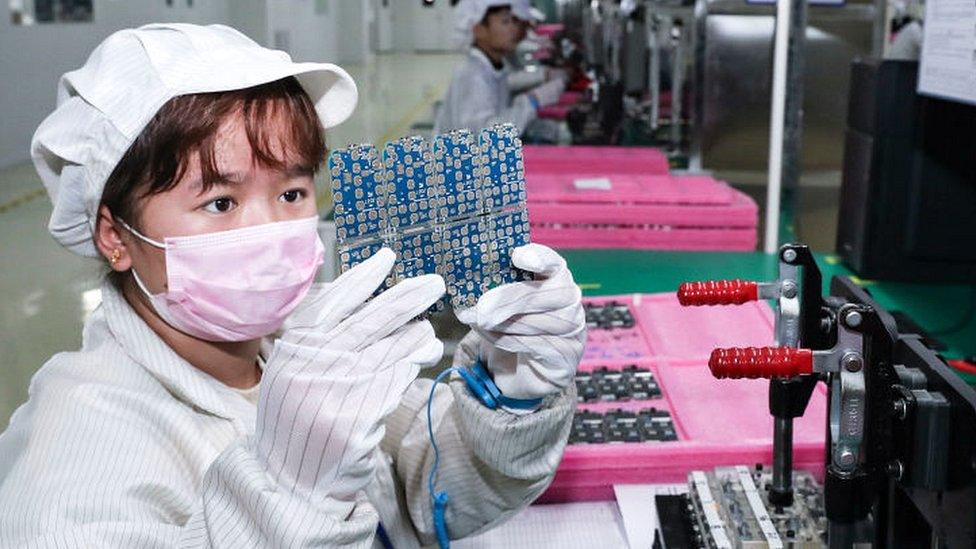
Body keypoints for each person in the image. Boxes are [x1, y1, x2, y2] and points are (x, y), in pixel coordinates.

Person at [0, 23, 585, 548]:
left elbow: (422, 491)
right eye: (220, 202)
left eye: (290, 194)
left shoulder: (299, 343)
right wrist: (288, 497)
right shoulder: (74, 452)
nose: (269, 233)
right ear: (115, 236)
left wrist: (510, 394)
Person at [434, 0, 567, 135]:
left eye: (513, 21)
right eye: (505, 22)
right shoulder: (472, 76)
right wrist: (531, 101)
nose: (514, 29)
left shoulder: (493, 68)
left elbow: (503, 113)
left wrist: (556, 131)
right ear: (479, 30)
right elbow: (486, 136)